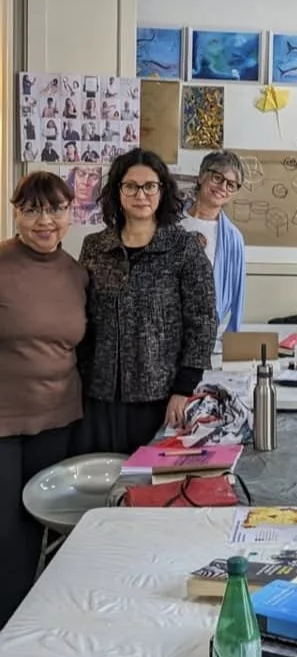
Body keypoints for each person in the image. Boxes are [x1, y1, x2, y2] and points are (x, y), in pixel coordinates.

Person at [78, 149, 217, 454]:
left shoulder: (184, 248)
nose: (140, 195)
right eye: (131, 186)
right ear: (118, 191)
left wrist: (184, 388)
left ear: (162, 190)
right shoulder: (95, 247)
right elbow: (83, 318)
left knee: (147, 484)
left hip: (160, 396)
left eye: (149, 186)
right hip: (100, 395)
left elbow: (203, 322)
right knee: (102, 479)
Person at [0, 173, 87, 626]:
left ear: (70, 214)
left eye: (55, 209)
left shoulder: (76, 273)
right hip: (4, 423)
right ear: (16, 212)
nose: (44, 221)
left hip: (58, 419)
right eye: (32, 209)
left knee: (45, 531)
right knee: (6, 535)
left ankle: (38, 630)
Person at [180, 150, 247, 333]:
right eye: (217, 178)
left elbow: (237, 296)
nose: (223, 187)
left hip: (206, 329)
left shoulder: (233, 238)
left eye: (231, 184)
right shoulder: (171, 224)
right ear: (202, 176)